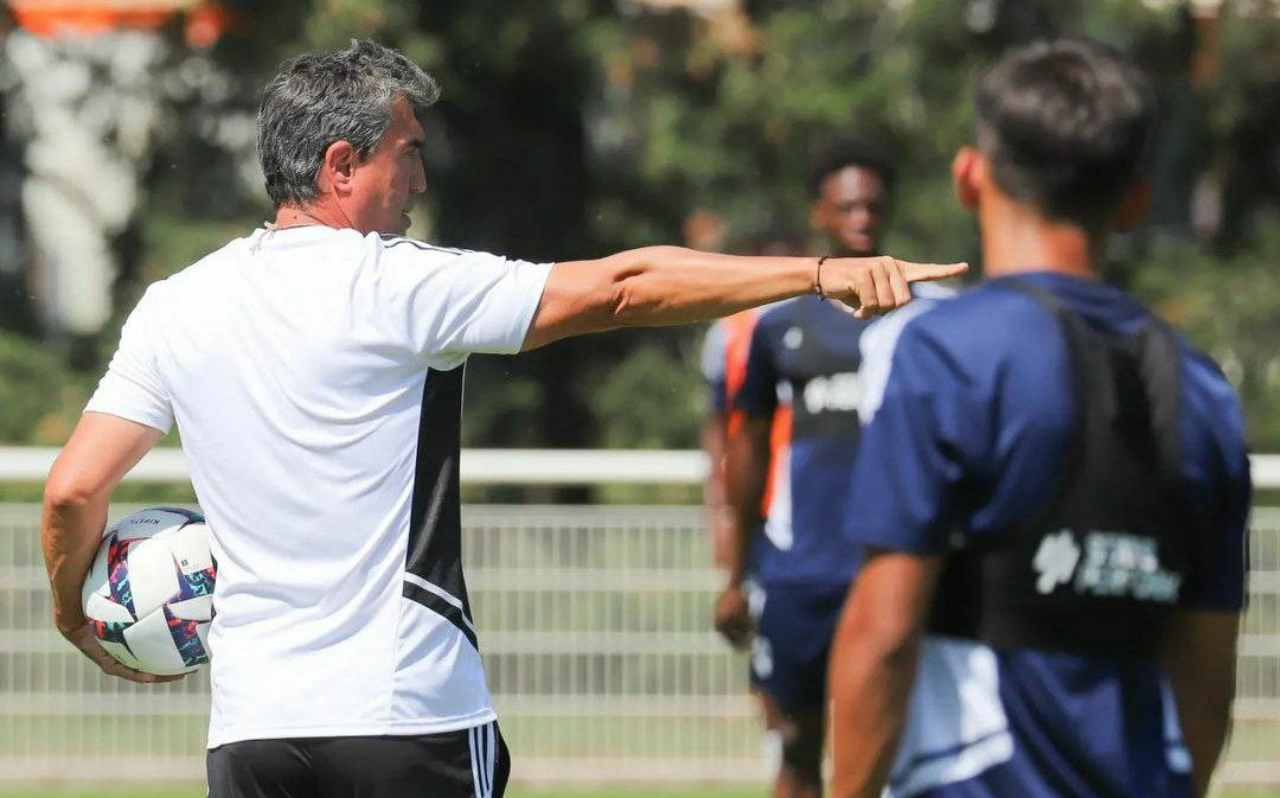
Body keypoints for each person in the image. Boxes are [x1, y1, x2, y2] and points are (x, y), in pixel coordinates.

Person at [38, 40, 964, 798]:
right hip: (409, 717)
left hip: (252, 735)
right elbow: (622, 288)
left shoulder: (176, 306)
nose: (421, 179)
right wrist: (815, 275)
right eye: (409, 152)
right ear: (341, 165)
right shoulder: (398, 284)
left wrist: (77, 613)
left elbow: (74, 490)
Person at [827, 38, 1250, 798]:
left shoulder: (946, 353)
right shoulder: (1204, 390)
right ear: (1135, 201)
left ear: (969, 177)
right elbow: (1207, 672)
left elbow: (883, 634)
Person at [708, 142, 910, 798]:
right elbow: (746, 449)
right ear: (820, 214)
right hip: (802, 571)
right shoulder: (780, 325)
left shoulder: (924, 318)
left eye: (872, 206)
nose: (861, 218)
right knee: (797, 743)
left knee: (900, 746)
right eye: (847, 207)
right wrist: (735, 574)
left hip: (894, 569)